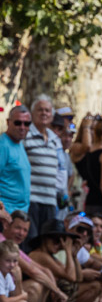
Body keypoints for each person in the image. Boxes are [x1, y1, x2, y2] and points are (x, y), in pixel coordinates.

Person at [23, 96, 62, 240]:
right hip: (31, 199)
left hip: (50, 200)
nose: (44, 113)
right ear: (32, 114)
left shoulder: (54, 139)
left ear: (52, 115)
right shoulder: (25, 134)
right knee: (31, 239)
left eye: (47, 110)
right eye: (40, 110)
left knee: (46, 242)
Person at [0, 106, 32, 217]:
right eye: (18, 123)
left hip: (20, 214)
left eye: (26, 124)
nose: (22, 127)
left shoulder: (19, 144)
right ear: (8, 122)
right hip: (6, 214)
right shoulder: (3, 145)